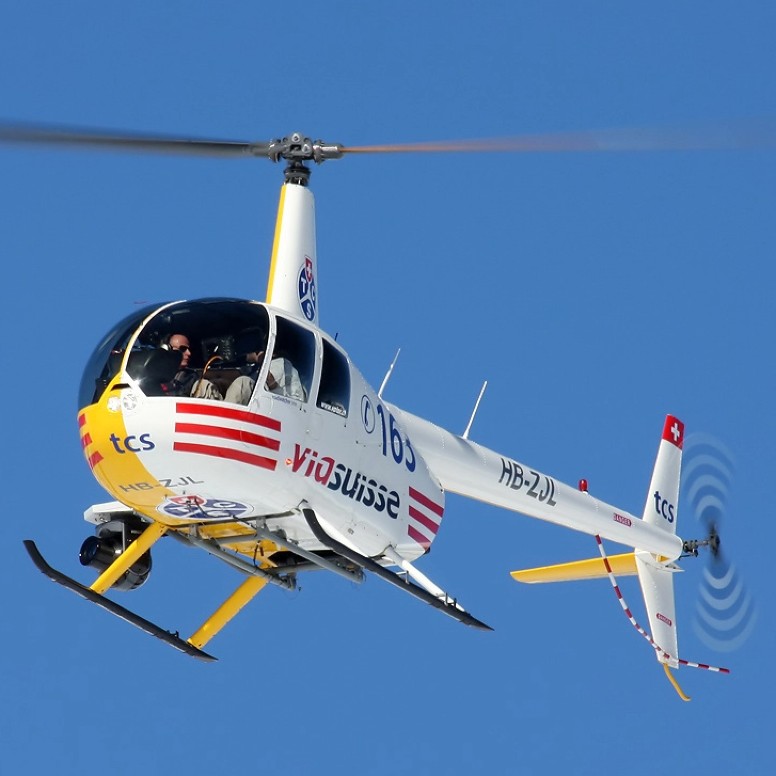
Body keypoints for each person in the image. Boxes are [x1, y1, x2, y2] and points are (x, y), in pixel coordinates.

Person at [224, 329, 305, 404]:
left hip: (283, 410)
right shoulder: (254, 368)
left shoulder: (281, 363)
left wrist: (262, 358)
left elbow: (270, 381)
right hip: (262, 405)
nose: (241, 353)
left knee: (243, 383)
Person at [163, 333, 223, 400]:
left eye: (188, 349)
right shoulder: (152, 376)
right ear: (167, 349)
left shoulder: (194, 380)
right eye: (183, 349)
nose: (189, 353)